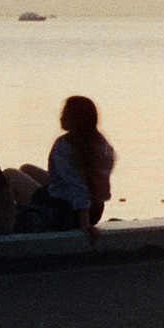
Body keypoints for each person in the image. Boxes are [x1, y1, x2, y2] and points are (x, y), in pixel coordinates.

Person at [25, 96, 116, 242]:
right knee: (26, 169)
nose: (60, 115)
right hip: (96, 209)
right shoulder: (102, 145)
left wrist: (84, 223)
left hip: (66, 211)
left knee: (11, 175)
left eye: (65, 111)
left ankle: (10, 223)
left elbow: (78, 186)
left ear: (74, 118)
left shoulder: (64, 145)